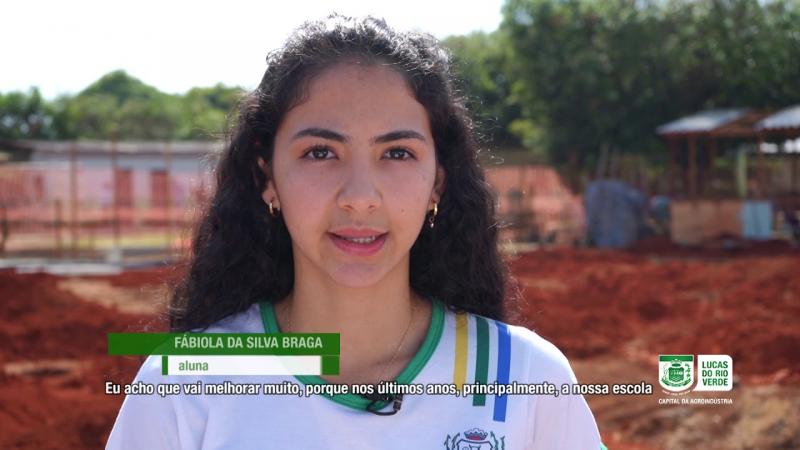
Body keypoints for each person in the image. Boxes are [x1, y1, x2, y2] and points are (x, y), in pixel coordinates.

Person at [107, 14, 603, 449]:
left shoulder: (524, 379)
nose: (360, 196)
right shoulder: (183, 385)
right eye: (321, 152)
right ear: (266, 178)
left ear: (438, 183)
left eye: (397, 153)